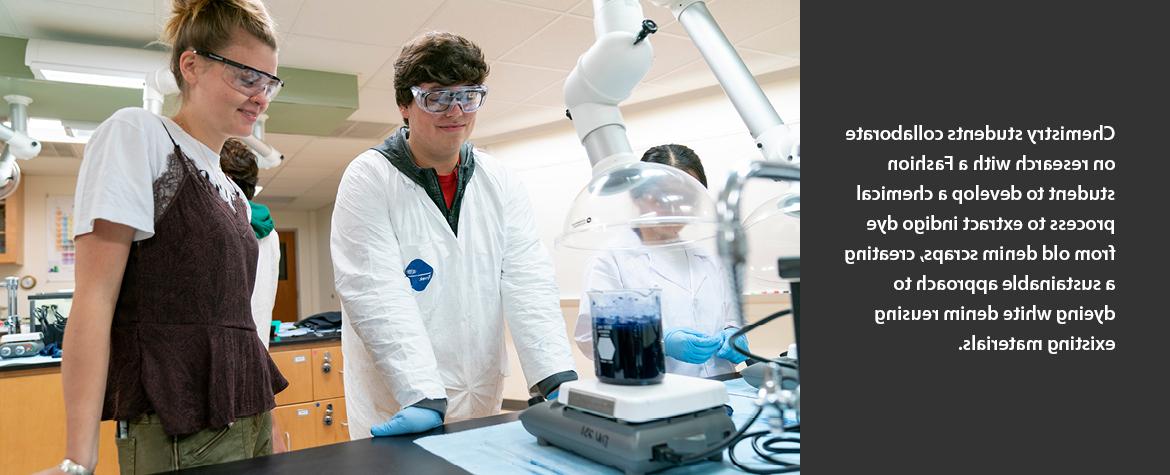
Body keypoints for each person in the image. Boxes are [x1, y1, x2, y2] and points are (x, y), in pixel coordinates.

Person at [41, 1, 287, 473]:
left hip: (248, 415)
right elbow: (94, 299)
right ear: (191, 65)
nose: (261, 96)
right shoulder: (141, 136)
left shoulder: (231, 191)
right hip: (180, 422)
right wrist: (78, 458)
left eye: (269, 83)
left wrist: (267, 418)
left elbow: (239, 322)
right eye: (247, 77)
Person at [331, 31, 578, 439]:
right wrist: (422, 395)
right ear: (404, 105)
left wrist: (556, 376)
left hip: (479, 391)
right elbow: (374, 289)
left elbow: (527, 279)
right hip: (400, 399)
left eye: (469, 95)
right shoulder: (369, 177)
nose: (457, 111)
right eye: (438, 97)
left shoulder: (499, 179)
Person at [574, 144, 750, 378]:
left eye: (686, 197)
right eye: (663, 195)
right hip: (655, 392)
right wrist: (659, 342)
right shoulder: (612, 259)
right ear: (637, 195)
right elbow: (591, 339)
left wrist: (735, 335)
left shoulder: (707, 258)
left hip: (722, 385)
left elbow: (732, 319)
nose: (675, 207)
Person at [220, 138, 279, 349]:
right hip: (258, 350)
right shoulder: (271, 234)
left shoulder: (219, 228)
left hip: (225, 354)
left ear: (225, 179)